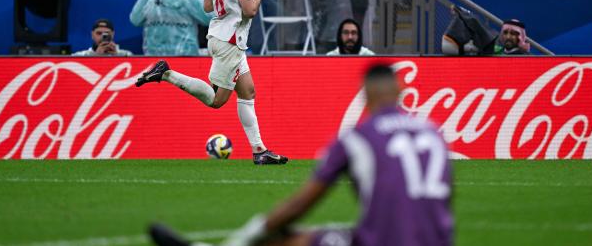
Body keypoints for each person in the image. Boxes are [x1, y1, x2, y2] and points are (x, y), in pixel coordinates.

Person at [149, 64, 453, 246]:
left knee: (283, 238)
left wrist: (257, 229)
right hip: (439, 241)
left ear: (367, 94)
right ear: (399, 91)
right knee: (312, 236)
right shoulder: (433, 134)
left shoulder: (359, 138)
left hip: (381, 242)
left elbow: (300, 203)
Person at [136, 0, 288, 165]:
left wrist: (226, 5)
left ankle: (259, 150)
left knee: (247, 91)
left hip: (223, 36)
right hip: (230, 41)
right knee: (216, 101)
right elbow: (250, 11)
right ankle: (166, 73)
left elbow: (207, 7)